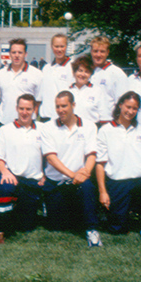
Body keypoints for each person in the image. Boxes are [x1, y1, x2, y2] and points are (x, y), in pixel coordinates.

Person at [93, 91, 141, 246]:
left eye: (135, 108)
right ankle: (112, 214)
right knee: (117, 229)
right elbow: (100, 164)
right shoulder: (106, 130)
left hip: (139, 181)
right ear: (120, 105)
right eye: (128, 107)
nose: (130, 111)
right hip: (117, 183)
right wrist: (103, 191)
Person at [40, 91, 100, 246]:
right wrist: (73, 174)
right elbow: (51, 158)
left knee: (87, 187)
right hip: (57, 183)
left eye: (64, 106)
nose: (60, 110)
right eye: (58, 106)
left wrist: (85, 173)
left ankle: (92, 231)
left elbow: (92, 155)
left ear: (73, 105)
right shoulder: (48, 127)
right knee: (57, 227)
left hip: (79, 182)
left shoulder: (89, 126)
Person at [0, 94, 45, 244]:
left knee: (26, 227)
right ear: (16, 109)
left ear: (34, 109)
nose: (24, 112)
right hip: (12, 176)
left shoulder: (43, 129)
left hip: (33, 180)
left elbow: (50, 155)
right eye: (21, 108)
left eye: (28, 109)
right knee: (6, 188)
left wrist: (45, 175)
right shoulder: (5, 130)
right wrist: (5, 172)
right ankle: (0, 229)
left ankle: (18, 209)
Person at [0, 39, 43, 126]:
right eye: (14, 52)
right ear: (9, 54)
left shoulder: (37, 74)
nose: (17, 55)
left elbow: (38, 101)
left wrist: (32, 117)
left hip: (27, 123)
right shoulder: (0, 74)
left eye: (20, 52)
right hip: (4, 122)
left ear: (25, 54)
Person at [89, 37, 128, 123]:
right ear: (91, 52)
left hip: (108, 122)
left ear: (107, 52)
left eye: (102, 51)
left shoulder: (117, 73)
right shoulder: (86, 72)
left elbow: (122, 103)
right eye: (95, 51)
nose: (98, 55)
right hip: (89, 122)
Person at [39, 34, 73, 121]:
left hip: (63, 117)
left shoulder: (72, 67)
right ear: (51, 47)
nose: (59, 49)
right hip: (46, 117)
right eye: (56, 46)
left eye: (62, 46)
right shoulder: (46, 68)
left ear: (66, 46)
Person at [68, 55, 108, 124]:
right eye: (80, 71)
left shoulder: (97, 91)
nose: (82, 74)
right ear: (74, 72)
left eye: (86, 72)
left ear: (91, 74)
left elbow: (104, 117)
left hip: (91, 130)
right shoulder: (67, 91)